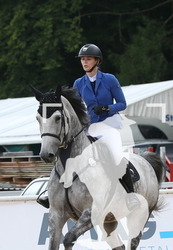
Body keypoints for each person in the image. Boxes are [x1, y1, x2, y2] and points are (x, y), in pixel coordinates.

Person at [37, 43, 135, 209]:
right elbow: (75, 108)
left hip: (108, 125)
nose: (84, 62)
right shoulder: (78, 83)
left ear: (97, 61)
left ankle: (130, 195)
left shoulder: (110, 80)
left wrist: (107, 108)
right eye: (82, 59)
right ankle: (53, 193)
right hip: (88, 127)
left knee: (116, 155)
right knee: (66, 152)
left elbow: (122, 103)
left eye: (88, 59)